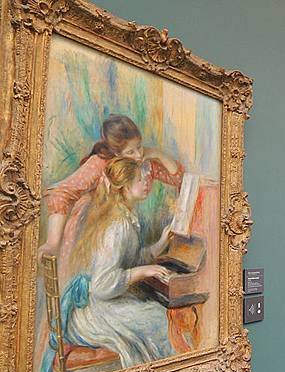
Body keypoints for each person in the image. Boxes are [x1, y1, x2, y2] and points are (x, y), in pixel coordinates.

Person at [41, 158, 176, 372]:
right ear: (124, 187)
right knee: (158, 318)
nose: (147, 183)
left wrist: (160, 243)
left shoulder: (124, 215)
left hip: (102, 303)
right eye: (140, 179)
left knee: (155, 310)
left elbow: (128, 260)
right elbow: (103, 286)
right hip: (94, 311)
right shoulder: (117, 225)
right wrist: (144, 272)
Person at [38, 114, 184, 285]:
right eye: (130, 151)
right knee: (89, 285)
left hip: (120, 233)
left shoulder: (142, 162)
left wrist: (156, 153)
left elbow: (178, 179)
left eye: (139, 146)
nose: (138, 155)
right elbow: (62, 194)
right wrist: (52, 242)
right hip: (89, 231)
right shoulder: (101, 164)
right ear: (116, 153)